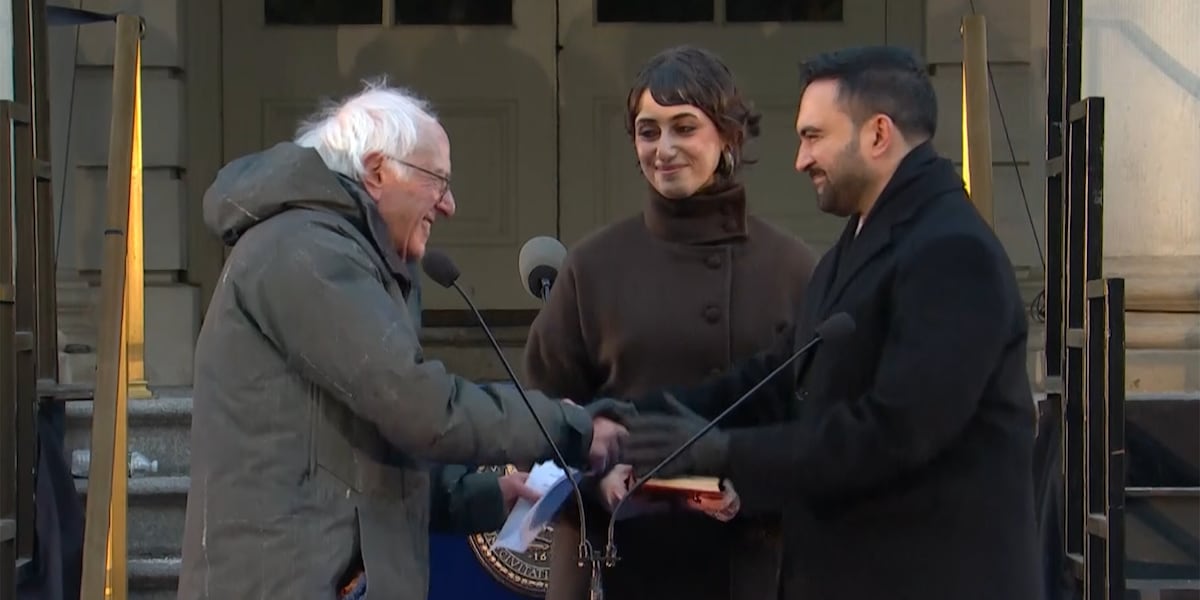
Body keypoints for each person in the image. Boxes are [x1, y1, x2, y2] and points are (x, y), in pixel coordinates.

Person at [176, 79, 630, 600]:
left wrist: (482, 496)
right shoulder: (305, 250)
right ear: (376, 172)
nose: (450, 205)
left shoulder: (339, 250)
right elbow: (418, 407)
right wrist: (569, 425)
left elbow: (349, 461)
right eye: (438, 180)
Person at [619, 46, 1042, 600]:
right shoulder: (864, 235)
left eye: (814, 136)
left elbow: (894, 434)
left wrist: (723, 453)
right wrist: (636, 418)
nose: (800, 159)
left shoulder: (952, 252)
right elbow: (781, 376)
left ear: (878, 134)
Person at [524, 46, 817, 600]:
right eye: (648, 131)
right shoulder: (593, 265)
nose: (664, 149)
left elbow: (819, 422)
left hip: (757, 563)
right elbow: (541, 417)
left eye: (684, 127)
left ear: (728, 136)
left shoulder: (793, 266)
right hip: (624, 561)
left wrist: (752, 483)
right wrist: (595, 480)